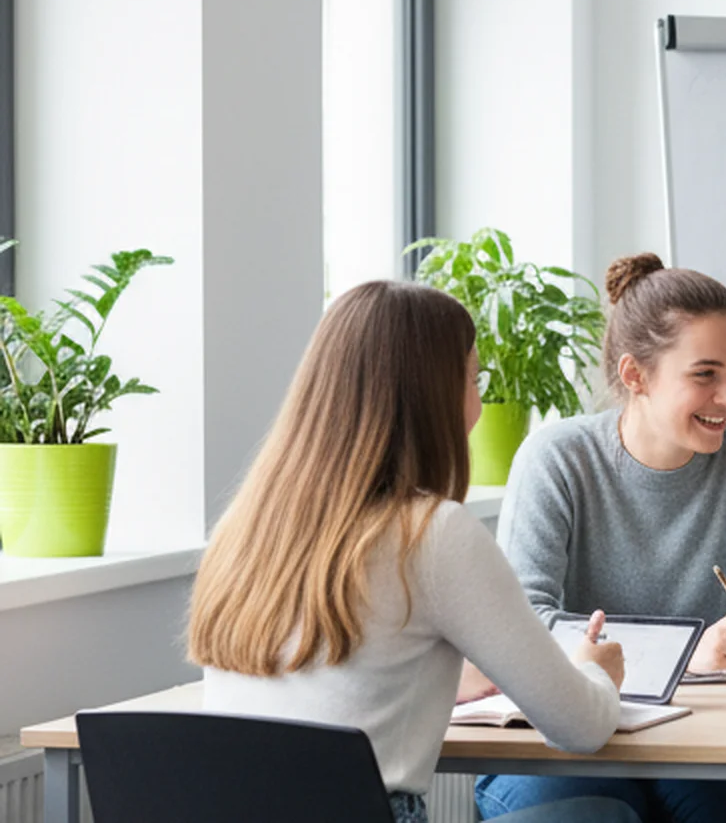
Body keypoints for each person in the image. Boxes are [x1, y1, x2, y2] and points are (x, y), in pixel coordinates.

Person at [190, 281, 637, 823]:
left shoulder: (243, 526)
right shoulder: (432, 532)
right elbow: (581, 727)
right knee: (601, 816)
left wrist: (439, 673)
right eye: (473, 378)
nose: (477, 401)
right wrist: (594, 671)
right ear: (434, 396)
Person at [476, 254, 726, 823]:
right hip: (557, 741)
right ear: (636, 375)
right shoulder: (557, 458)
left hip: (700, 740)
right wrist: (690, 657)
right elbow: (524, 628)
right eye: (705, 374)